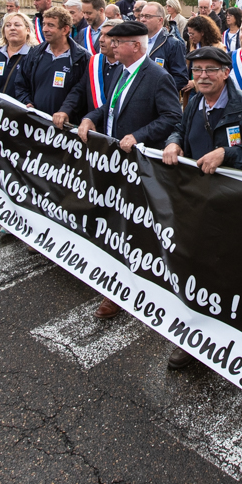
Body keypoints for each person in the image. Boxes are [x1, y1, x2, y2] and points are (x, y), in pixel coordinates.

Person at [163, 46, 242, 369]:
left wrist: (226, 154)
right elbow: (181, 129)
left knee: (227, 269)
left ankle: (230, 338)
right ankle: (195, 338)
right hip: (197, 199)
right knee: (195, 265)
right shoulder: (195, 101)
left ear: (226, 72)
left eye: (211, 69)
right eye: (197, 70)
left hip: (231, 202)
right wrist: (173, 140)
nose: (203, 76)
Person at [78, 21, 183, 319]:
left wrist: (139, 135)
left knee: (133, 231)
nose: (110, 46)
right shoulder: (121, 73)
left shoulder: (157, 76)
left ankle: (122, 291)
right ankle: (114, 280)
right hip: (114, 163)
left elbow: (173, 118)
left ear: (135, 46)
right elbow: (110, 109)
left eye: (117, 42)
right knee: (113, 224)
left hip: (139, 167)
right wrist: (89, 118)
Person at [11, 4, 88, 119]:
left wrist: (66, 111)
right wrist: (26, 102)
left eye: (51, 25)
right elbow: (21, 84)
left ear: (65, 29)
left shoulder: (82, 58)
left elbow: (82, 92)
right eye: (44, 24)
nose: (45, 29)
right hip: (37, 126)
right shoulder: (35, 54)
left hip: (66, 129)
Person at [54, 18, 122, 128]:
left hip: (118, 130)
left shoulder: (129, 67)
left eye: (108, 36)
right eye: (101, 34)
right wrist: (65, 110)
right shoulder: (94, 62)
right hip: (94, 129)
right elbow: (80, 90)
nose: (101, 39)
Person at [139, 2, 189, 91]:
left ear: (160, 20)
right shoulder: (137, 42)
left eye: (147, 16)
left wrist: (158, 91)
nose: (142, 19)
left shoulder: (173, 44)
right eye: (141, 16)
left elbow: (180, 78)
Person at [0, 11, 34, 96]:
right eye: (8, 25)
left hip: (22, 107)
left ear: (28, 30)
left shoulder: (34, 54)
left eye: (17, 25)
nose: (12, 28)